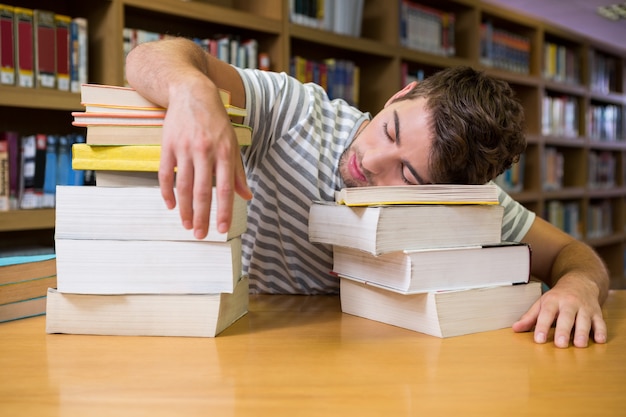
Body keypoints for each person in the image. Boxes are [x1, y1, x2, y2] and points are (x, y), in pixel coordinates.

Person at [125, 37, 609, 349]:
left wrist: (579, 286)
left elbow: (571, 253)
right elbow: (149, 54)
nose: (370, 161)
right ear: (401, 94)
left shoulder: (468, 202)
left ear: (445, 195)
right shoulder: (297, 114)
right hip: (243, 336)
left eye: (409, 176)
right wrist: (194, 92)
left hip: (367, 363)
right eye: (391, 130)